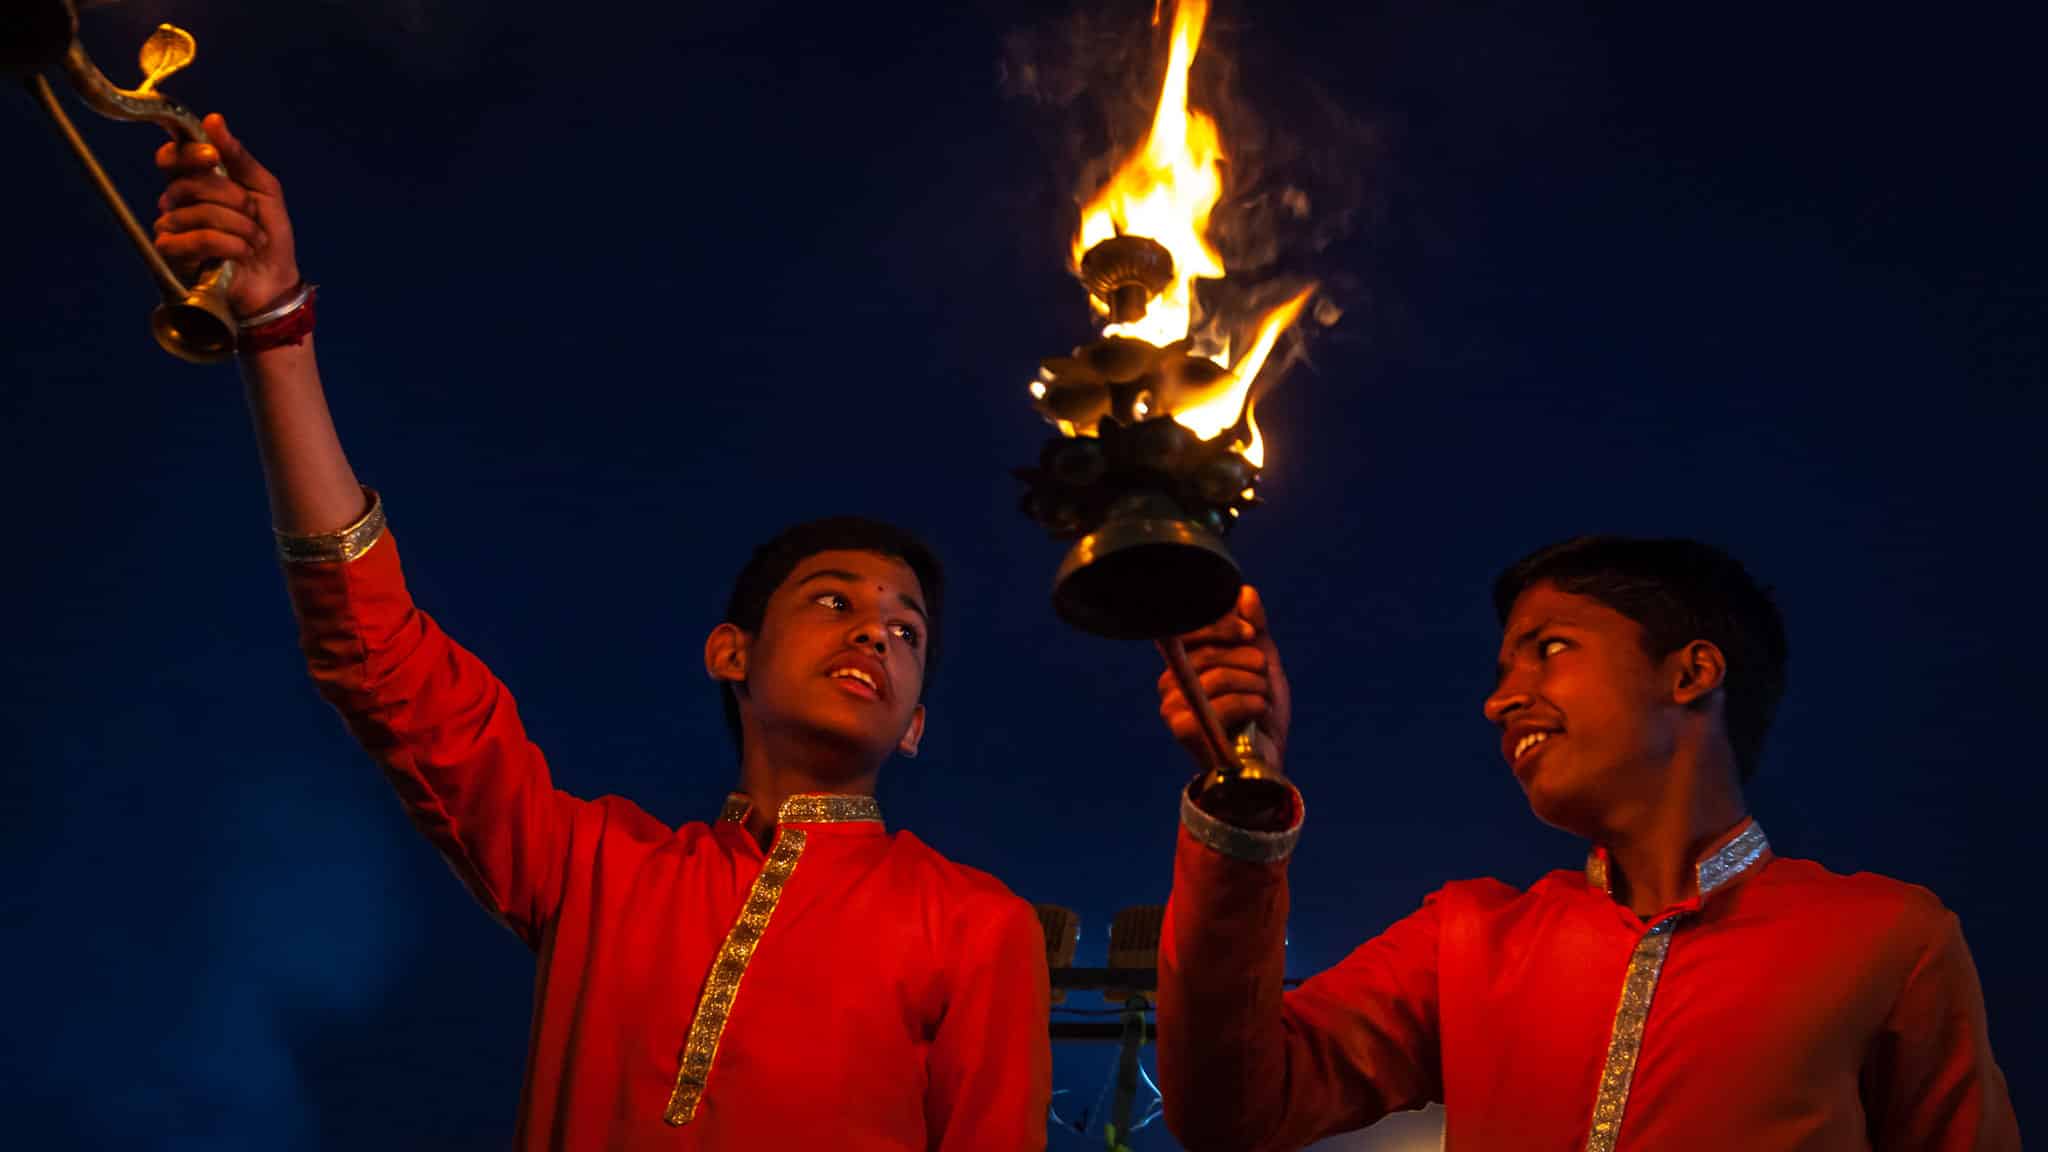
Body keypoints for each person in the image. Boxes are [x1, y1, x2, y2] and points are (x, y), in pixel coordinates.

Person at [152, 114, 1050, 1151]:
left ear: (918, 725)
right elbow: (382, 665)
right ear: (730, 654)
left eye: (907, 631)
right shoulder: (601, 870)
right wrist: (271, 333)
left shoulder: (980, 925)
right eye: (833, 599)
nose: (876, 636)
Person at [1151, 538, 2019, 1150]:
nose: (1501, 701)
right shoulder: (1465, 939)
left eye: (1547, 650)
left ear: (1690, 673)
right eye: (1500, 673)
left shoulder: (1887, 936)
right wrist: (1245, 788)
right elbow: (1231, 1111)